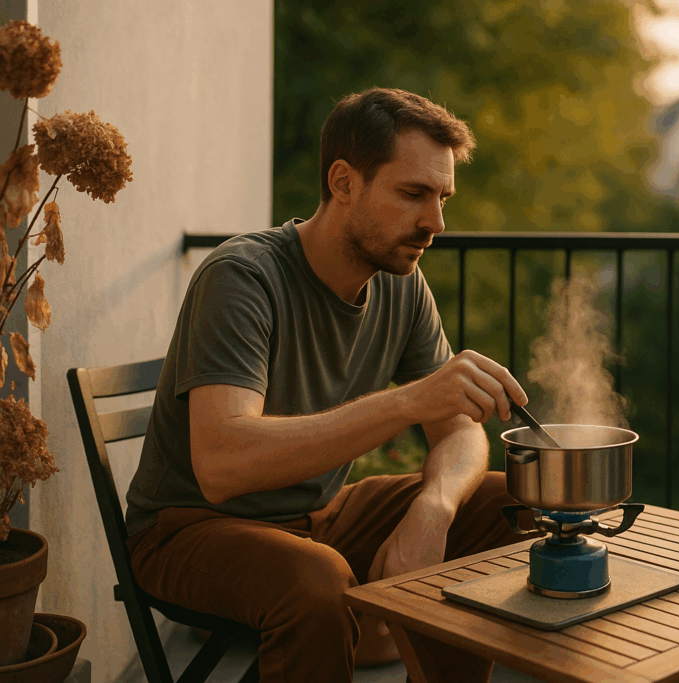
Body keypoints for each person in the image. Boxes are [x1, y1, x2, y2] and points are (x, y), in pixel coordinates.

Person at [123, 87, 535, 682]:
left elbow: (461, 431)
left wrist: (436, 508)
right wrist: (407, 400)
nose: (436, 222)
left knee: (510, 502)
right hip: (189, 529)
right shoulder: (242, 277)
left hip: (318, 517)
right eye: (413, 193)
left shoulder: (400, 282)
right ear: (343, 182)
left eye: (443, 198)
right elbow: (221, 464)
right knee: (316, 581)